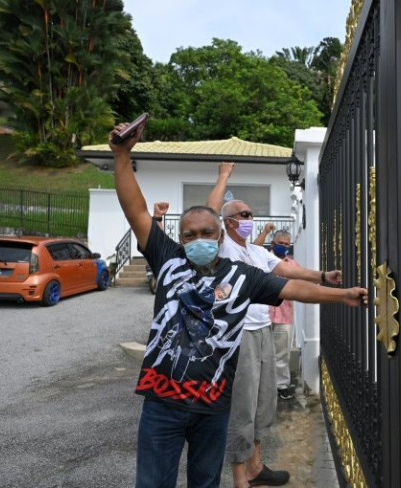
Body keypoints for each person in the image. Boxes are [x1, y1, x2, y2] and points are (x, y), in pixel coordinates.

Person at [108, 123, 367, 488]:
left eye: (207, 233)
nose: (199, 240)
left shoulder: (243, 274)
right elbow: (135, 210)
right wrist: (122, 155)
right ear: (179, 239)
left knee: (205, 482)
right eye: (189, 235)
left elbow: (293, 287)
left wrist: (341, 294)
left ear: (220, 235)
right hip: (161, 405)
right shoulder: (167, 259)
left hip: (212, 408)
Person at [205, 162, 343, 488]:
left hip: (262, 330)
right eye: (243, 214)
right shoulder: (222, 249)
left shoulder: (255, 251)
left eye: (251, 214)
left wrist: (323, 277)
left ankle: (256, 466)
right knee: (242, 405)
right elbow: (209, 214)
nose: (249, 219)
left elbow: (287, 271)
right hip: (238, 336)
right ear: (227, 222)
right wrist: (223, 177)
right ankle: (240, 477)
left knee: (264, 402)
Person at [268, 229, 297, 400]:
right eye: (281, 243)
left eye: (287, 244)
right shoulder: (262, 261)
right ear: (273, 244)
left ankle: (282, 385)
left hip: (284, 316)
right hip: (262, 316)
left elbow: (303, 283)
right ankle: (265, 386)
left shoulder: (292, 266)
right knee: (262, 354)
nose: (284, 247)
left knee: (282, 353)